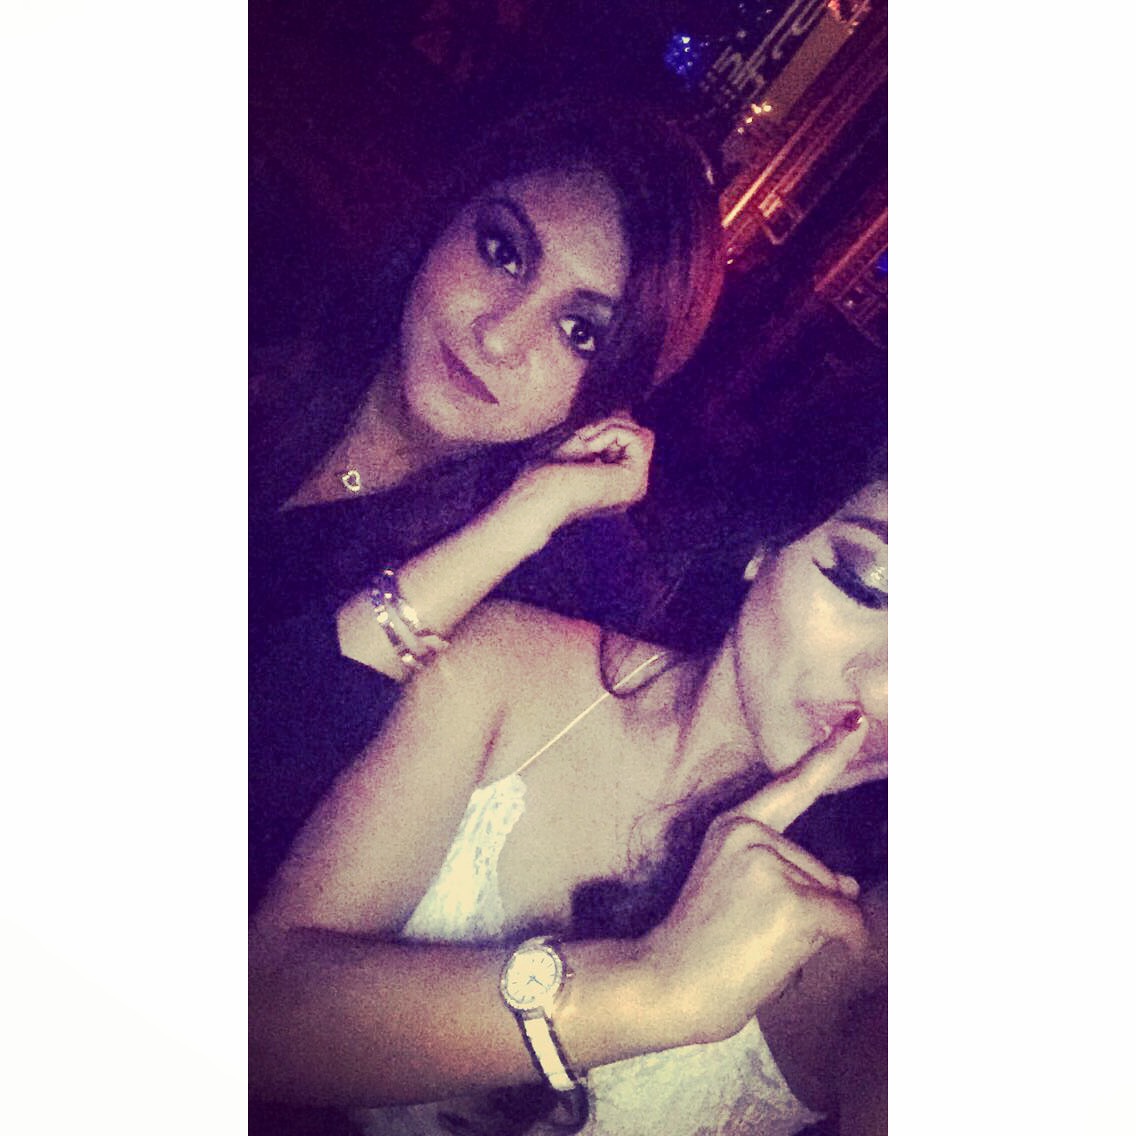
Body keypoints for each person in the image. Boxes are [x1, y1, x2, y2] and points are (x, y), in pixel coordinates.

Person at [248, 465, 888, 1135]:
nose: (883, 693)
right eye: (867, 586)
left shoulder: (866, 936)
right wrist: (645, 989)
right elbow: (261, 1014)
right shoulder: (510, 668)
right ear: (769, 538)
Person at [248, 96, 725, 898]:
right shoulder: (266, 294)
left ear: (616, 390)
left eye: (582, 333)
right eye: (504, 253)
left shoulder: (545, 600)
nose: (500, 337)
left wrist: (516, 524)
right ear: (447, 216)